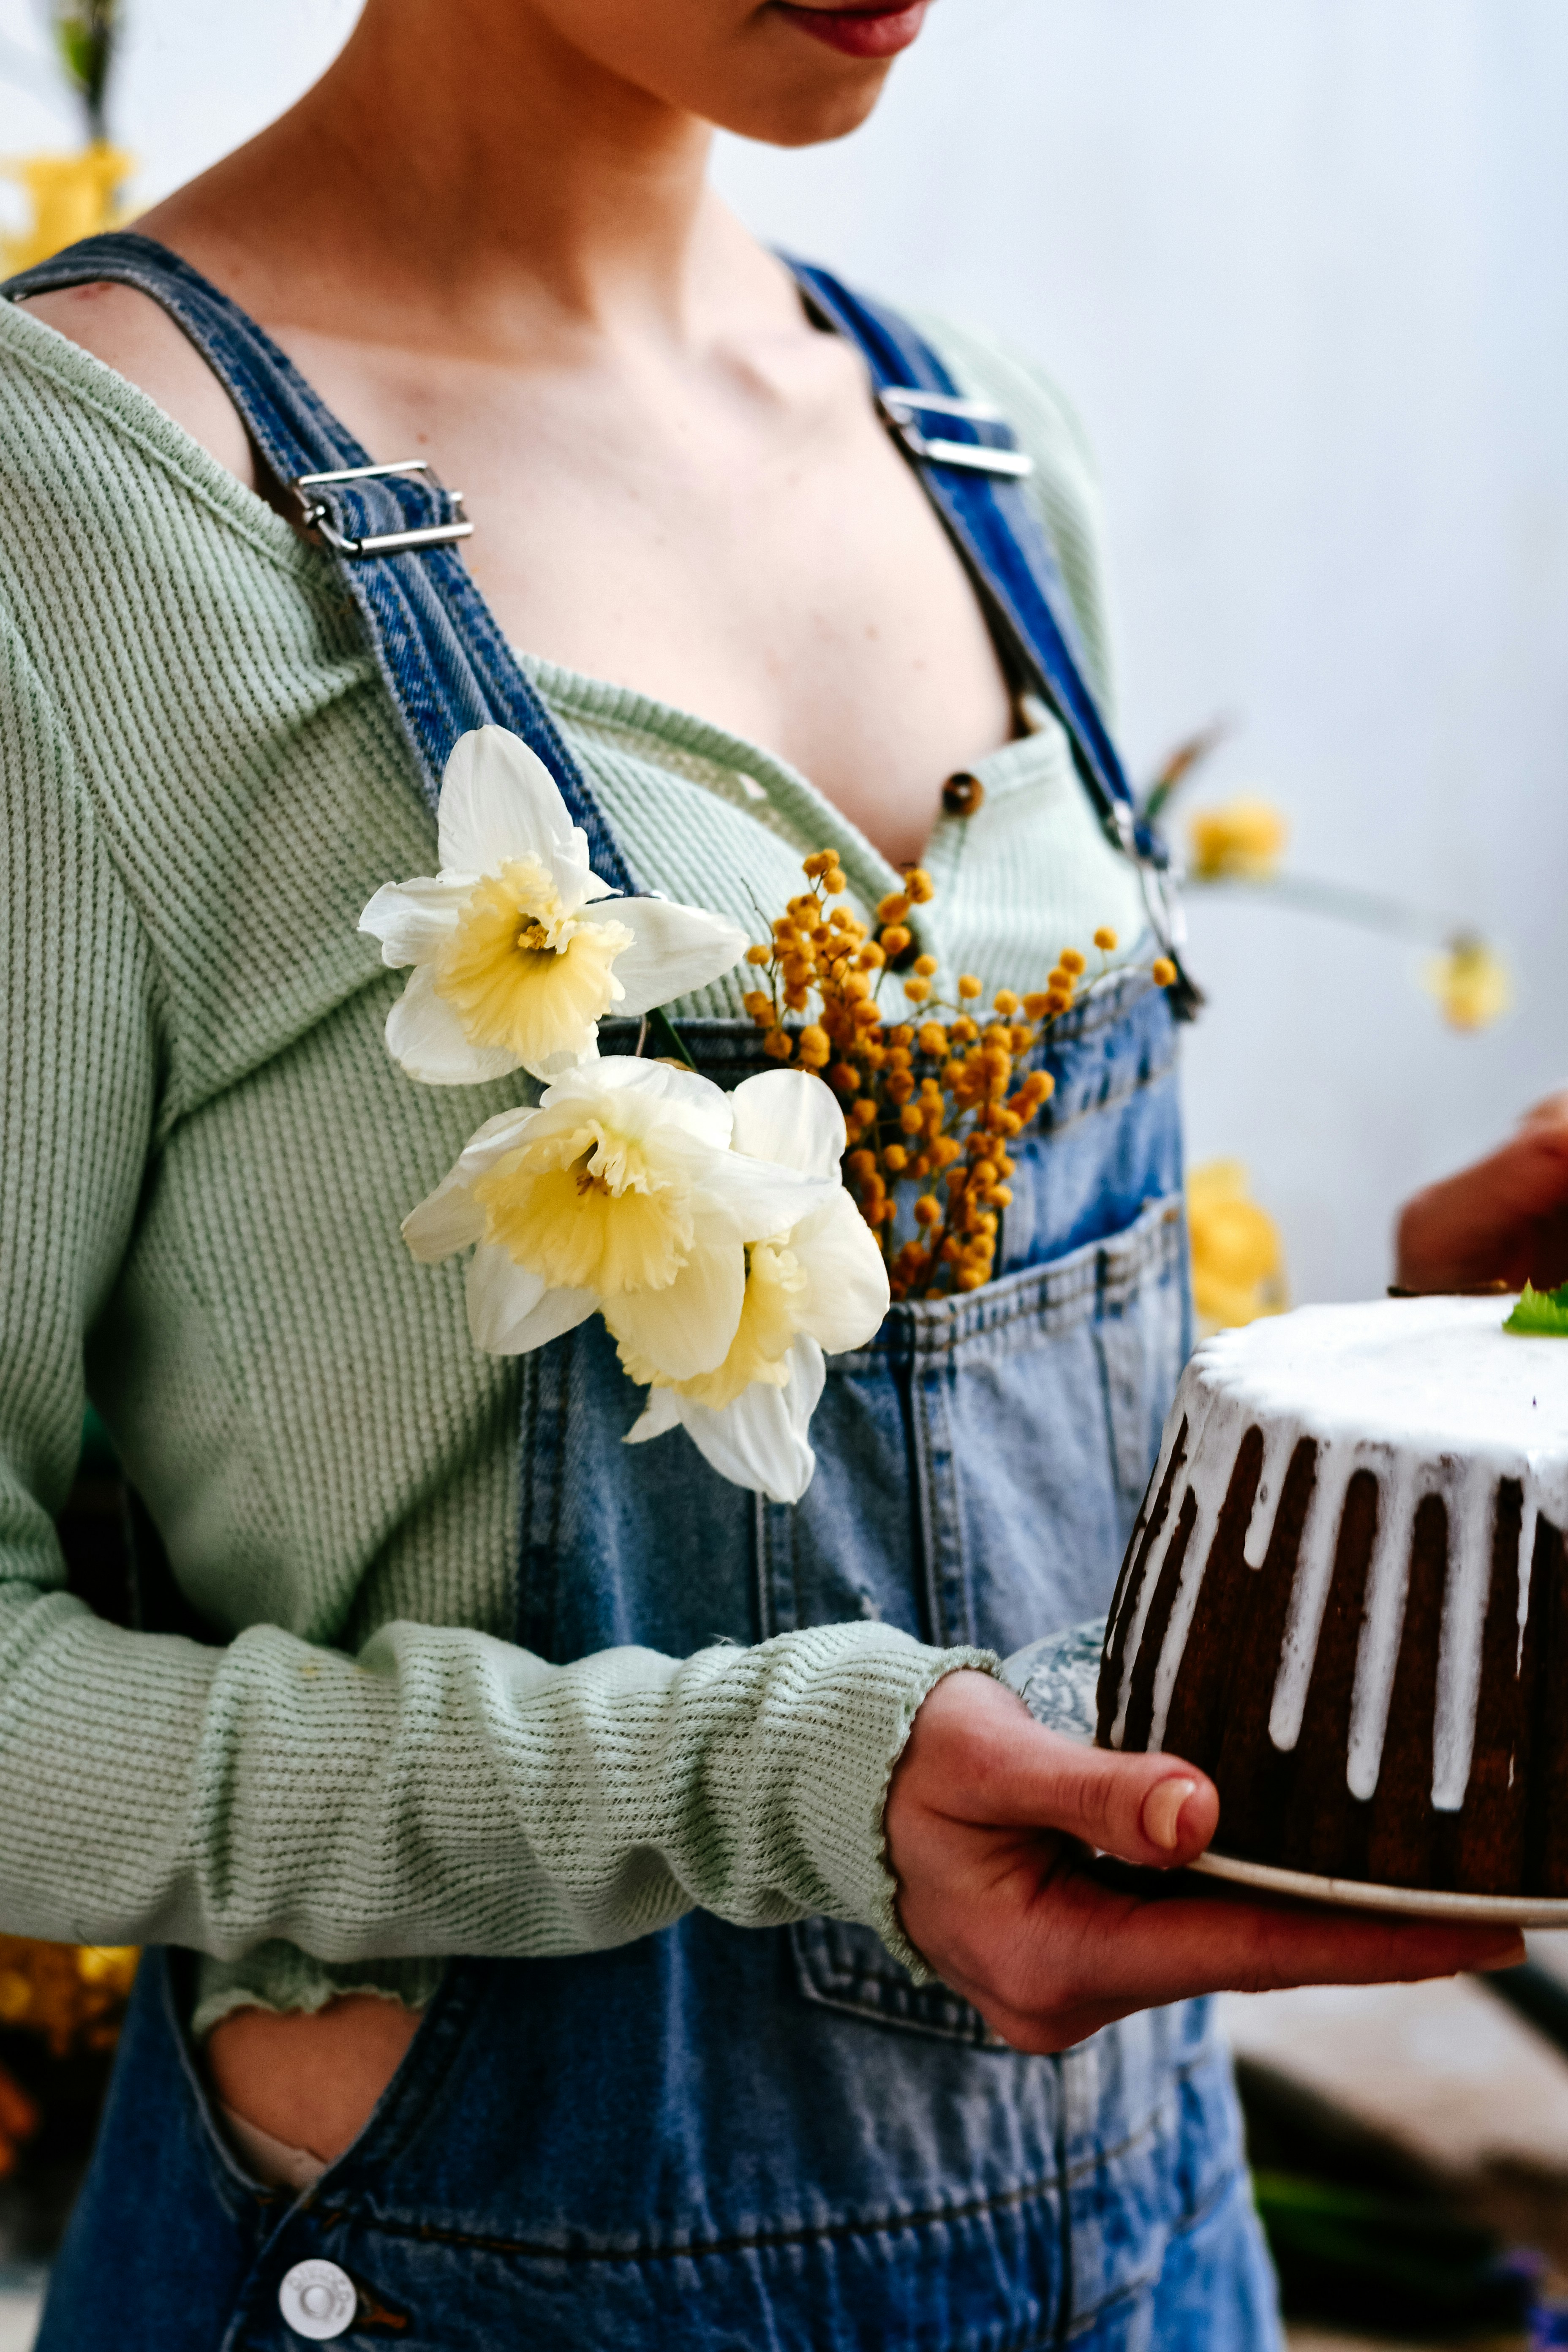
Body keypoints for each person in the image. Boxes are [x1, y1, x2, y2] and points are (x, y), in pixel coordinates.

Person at [0, 1, 1527, 2344]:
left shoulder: (985, 446)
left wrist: (1410, 1398)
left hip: (1154, 2268)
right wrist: (756, 1783)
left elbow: (952, 1494)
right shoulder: (74, 521)